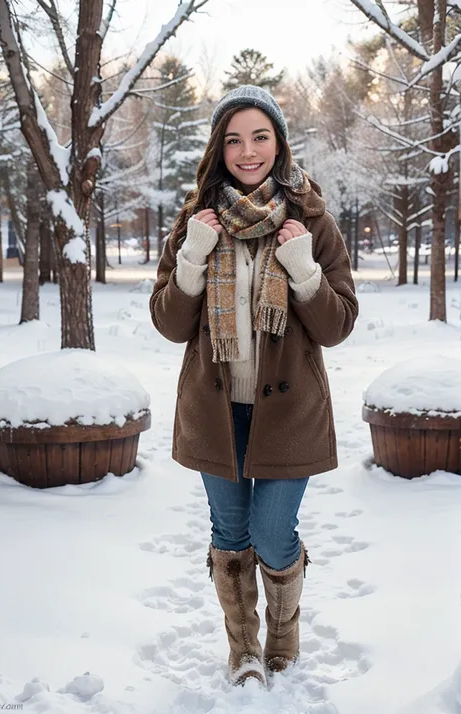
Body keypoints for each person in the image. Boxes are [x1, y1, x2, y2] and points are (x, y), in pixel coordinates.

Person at [150, 85, 358, 688]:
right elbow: (168, 323)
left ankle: (283, 639)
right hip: (215, 412)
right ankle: (243, 650)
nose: (247, 151)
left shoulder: (311, 221)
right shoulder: (196, 221)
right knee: (230, 535)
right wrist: (192, 257)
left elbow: (338, 324)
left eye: (259, 136)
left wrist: (304, 269)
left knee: (272, 533)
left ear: (278, 143)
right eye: (234, 139)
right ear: (220, 148)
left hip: (290, 413)